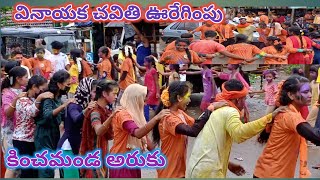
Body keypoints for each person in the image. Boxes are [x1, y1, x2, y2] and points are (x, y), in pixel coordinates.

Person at [186, 79, 285, 178]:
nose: (244, 102)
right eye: (244, 99)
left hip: (198, 166)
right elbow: (239, 134)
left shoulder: (217, 108)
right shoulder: (230, 111)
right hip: (209, 171)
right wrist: (269, 117)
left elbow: (211, 145)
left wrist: (228, 164)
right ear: (238, 99)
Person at [152, 81, 225, 178]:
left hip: (178, 169)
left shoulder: (179, 113)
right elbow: (193, 131)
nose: (190, 100)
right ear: (179, 98)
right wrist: (210, 108)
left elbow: (197, 123)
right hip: (169, 171)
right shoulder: (169, 118)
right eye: (188, 96)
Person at [254, 75, 320, 178]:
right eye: (306, 92)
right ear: (291, 95)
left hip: (269, 171)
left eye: (310, 91)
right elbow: (316, 137)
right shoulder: (289, 115)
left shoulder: (289, 112)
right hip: (271, 174)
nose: (310, 95)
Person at [109, 84, 170, 178]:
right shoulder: (122, 114)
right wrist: (156, 118)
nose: (145, 104)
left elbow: (146, 139)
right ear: (135, 99)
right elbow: (138, 133)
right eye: (144, 100)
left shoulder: (136, 115)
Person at [34, 70, 75, 178]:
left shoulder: (58, 97)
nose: (68, 86)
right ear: (59, 84)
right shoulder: (49, 97)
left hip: (54, 132)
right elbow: (48, 115)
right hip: (44, 134)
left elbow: (61, 116)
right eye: (67, 84)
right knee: (46, 169)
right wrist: (64, 105)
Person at [13, 75, 53, 178]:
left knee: (34, 172)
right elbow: (32, 112)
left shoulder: (32, 99)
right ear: (34, 87)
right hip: (22, 140)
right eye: (42, 89)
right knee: (27, 172)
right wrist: (39, 98)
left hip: (32, 140)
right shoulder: (22, 100)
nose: (43, 92)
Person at [57, 78, 97, 178]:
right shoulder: (74, 105)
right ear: (86, 90)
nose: (95, 95)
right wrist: (87, 110)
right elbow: (76, 118)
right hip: (68, 148)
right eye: (94, 91)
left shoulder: (85, 104)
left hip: (76, 147)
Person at [79, 80, 118, 178]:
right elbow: (99, 131)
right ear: (104, 94)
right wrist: (112, 116)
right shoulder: (95, 112)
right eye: (114, 94)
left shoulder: (104, 110)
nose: (116, 96)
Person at [1, 66, 28, 178]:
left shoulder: (24, 90)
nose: (27, 79)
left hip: (21, 132)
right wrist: (16, 99)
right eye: (26, 77)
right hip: (9, 133)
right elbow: (8, 113)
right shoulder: (6, 93)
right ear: (18, 79)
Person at [134, 56, 160, 122]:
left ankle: (146, 120)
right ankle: (159, 116)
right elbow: (139, 67)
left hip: (152, 90)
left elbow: (157, 82)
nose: (144, 63)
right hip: (148, 90)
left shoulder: (153, 70)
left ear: (150, 63)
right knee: (152, 104)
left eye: (145, 62)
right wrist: (132, 59)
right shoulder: (147, 69)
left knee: (146, 103)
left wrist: (157, 92)